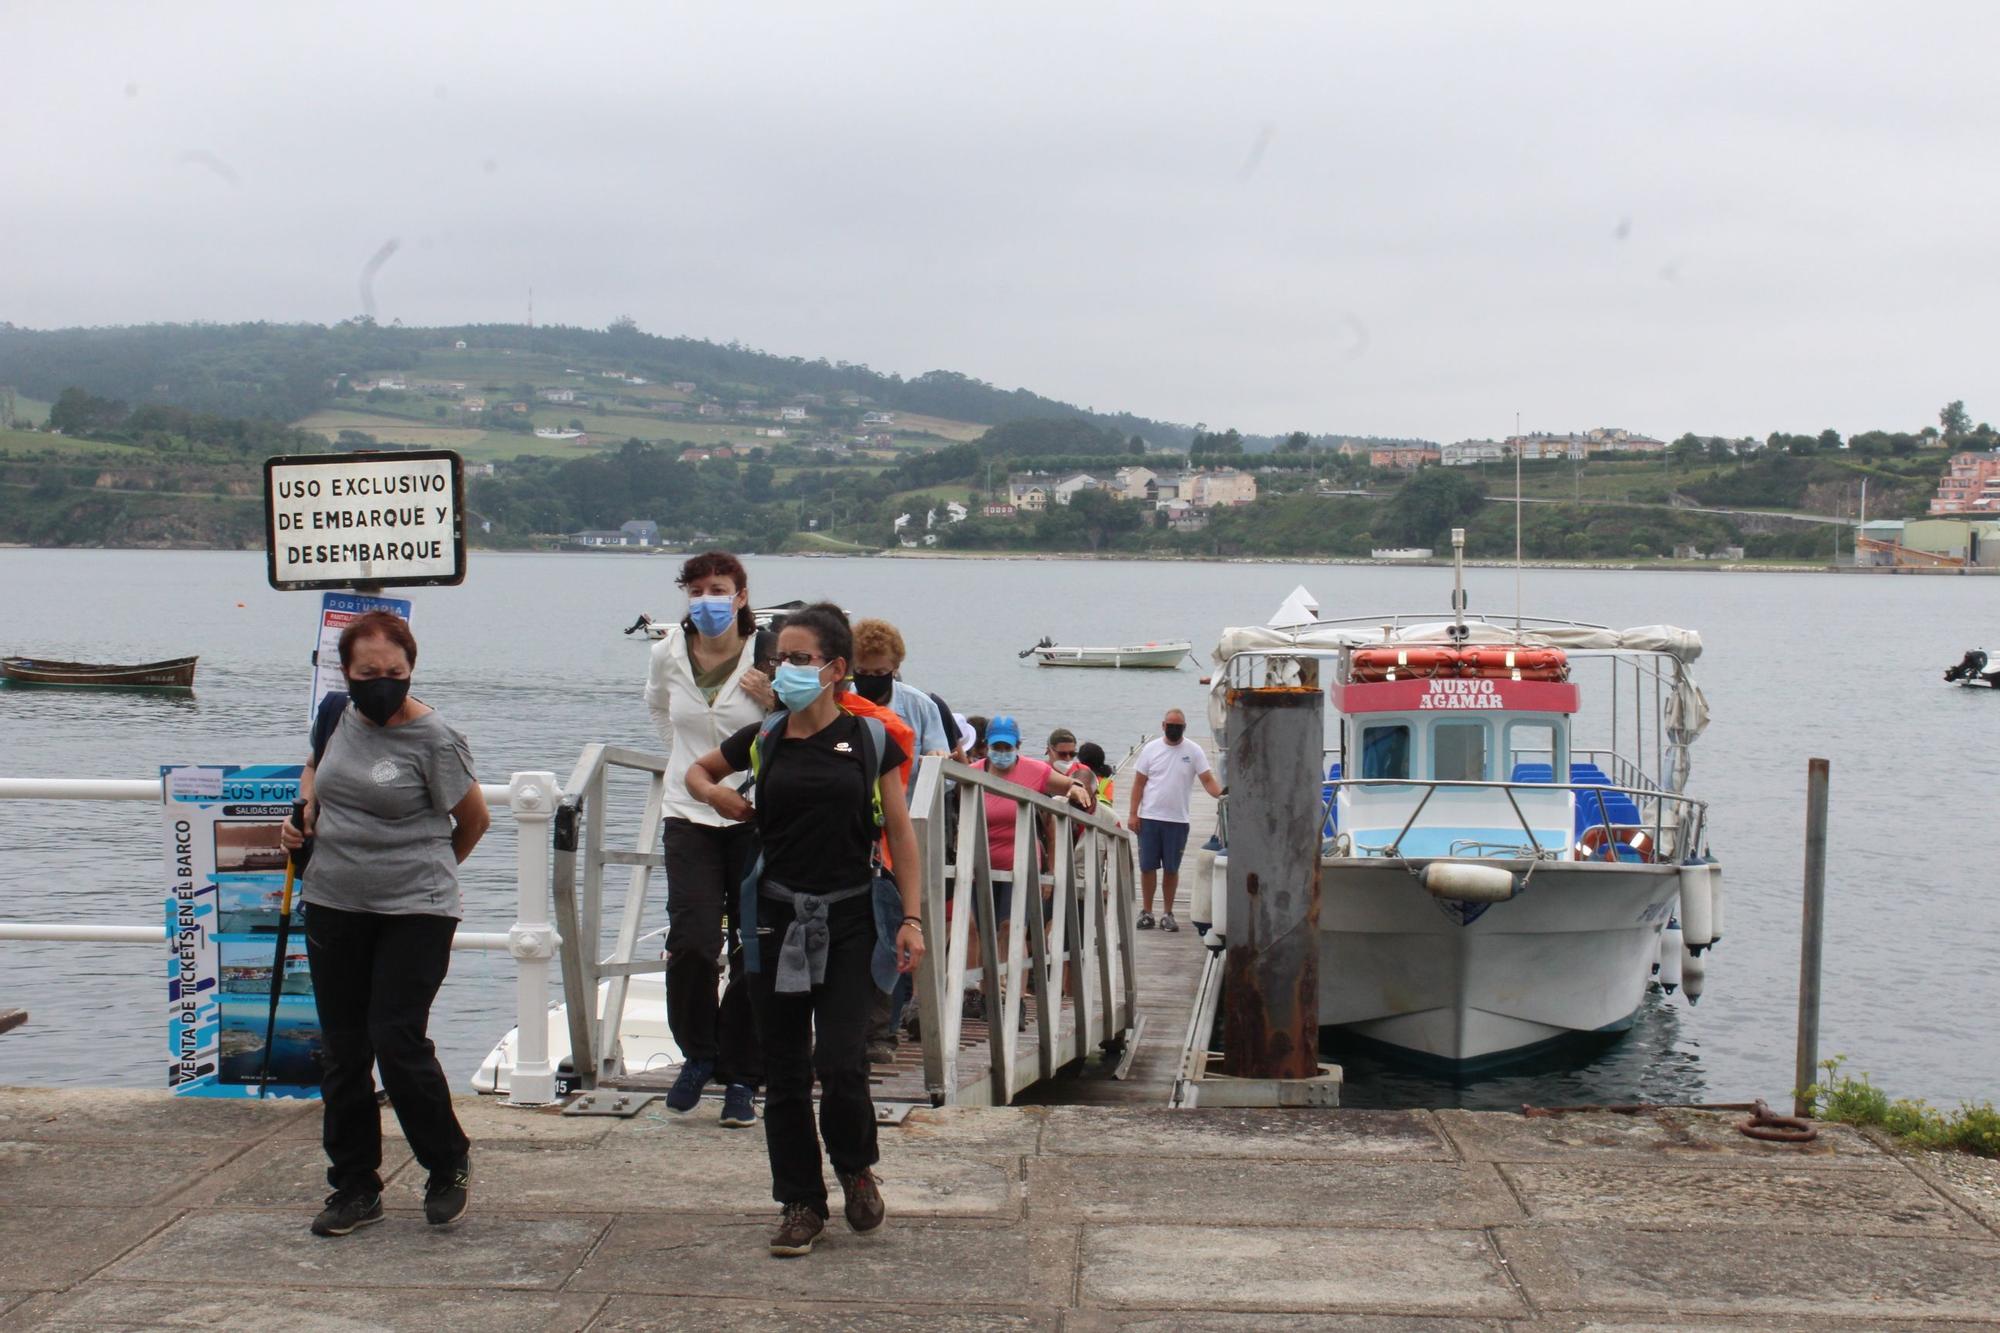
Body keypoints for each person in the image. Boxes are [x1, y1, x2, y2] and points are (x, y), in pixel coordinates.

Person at [685, 603, 925, 1259]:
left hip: (849, 915)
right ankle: (799, 1201)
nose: (783, 669)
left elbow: (900, 831)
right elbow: (696, 770)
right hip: (774, 917)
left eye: (798, 657)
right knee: (784, 1069)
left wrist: (911, 917)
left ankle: (855, 1165)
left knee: (840, 1060)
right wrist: (718, 796)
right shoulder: (763, 737)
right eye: (778, 658)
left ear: (836, 667)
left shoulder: (872, 740)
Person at [280, 611, 491, 1238]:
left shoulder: (435, 739)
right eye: (368, 673)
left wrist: (428, 876)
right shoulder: (333, 716)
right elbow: (316, 769)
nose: (381, 683)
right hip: (333, 900)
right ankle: (354, 1186)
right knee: (344, 1049)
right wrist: (303, 816)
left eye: (394, 673)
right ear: (346, 672)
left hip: (416, 908)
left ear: (411, 670)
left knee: (396, 1038)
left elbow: (473, 820)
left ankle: (446, 1160)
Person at [644, 550, 775, 1126]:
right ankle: (699, 1052)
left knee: (755, 946)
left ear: (741, 595)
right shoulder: (666, 654)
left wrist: (777, 702)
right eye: (697, 591)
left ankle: (744, 1074)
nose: (707, 601)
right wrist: (688, 769)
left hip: (756, 816)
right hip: (688, 811)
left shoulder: (770, 654)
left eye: (718, 590)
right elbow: (659, 714)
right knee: (693, 940)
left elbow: (810, 722)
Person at [849, 618, 947, 1063]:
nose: (871, 681)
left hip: (901, 829)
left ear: (896, 666)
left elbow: (940, 768)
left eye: (880, 672)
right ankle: (853, 1026)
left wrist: (935, 763)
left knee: (896, 928)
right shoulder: (841, 702)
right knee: (855, 930)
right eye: (862, 673)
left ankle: (883, 1029)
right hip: (852, 828)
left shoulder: (919, 706)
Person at [1127, 708, 1222, 932]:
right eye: (1170, 725)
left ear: (1184, 727)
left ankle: (1168, 913)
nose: (1174, 729)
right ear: (1163, 726)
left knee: (1172, 868)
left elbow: (1207, 779)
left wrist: (1223, 795)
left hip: (1177, 820)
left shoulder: (1194, 750)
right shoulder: (1150, 749)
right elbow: (1139, 783)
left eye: (1178, 726)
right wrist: (1133, 813)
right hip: (1150, 817)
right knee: (1147, 866)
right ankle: (1147, 911)